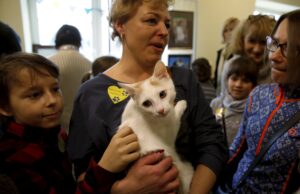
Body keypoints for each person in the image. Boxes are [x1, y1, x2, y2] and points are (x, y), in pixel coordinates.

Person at [67, 0, 228, 194]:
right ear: (120, 25)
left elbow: (213, 145)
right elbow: (82, 172)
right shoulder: (90, 95)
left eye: (167, 24)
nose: (164, 31)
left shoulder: (184, 79)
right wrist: (123, 189)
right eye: (152, 20)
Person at [228, 10, 300, 193]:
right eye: (274, 44)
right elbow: (236, 150)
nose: (273, 56)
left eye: (289, 47)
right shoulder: (258, 94)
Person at [0, 52, 76, 193]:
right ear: (5, 106)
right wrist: (103, 170)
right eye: (35, 94)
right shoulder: (13, 158)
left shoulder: (55, 134)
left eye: (55, 89)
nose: (52, 100)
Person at [48, 24, 91, 132]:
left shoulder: (46, 65)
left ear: (57, 42)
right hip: (85, 126)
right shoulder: (90, 64)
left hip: (56, 125)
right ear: (79, 42)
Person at [220, 14, 276, 96]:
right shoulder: (231, 66)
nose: (257, 49)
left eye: (263, 42)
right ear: (242, 40)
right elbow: (224, 98)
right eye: (252, 41)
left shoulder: (276, 69)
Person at [210, 56, 258, 146]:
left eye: (245, 81)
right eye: (234, 79)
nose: (238, 85)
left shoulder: (255, 109)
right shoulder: (216, 104)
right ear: (227, 80)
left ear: (253, 85)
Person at [214, 17, 240, 94]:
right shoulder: (220, 52)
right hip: (219, 93)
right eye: (226, 30)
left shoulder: (240, 53)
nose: (228, 33)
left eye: (232, 30)